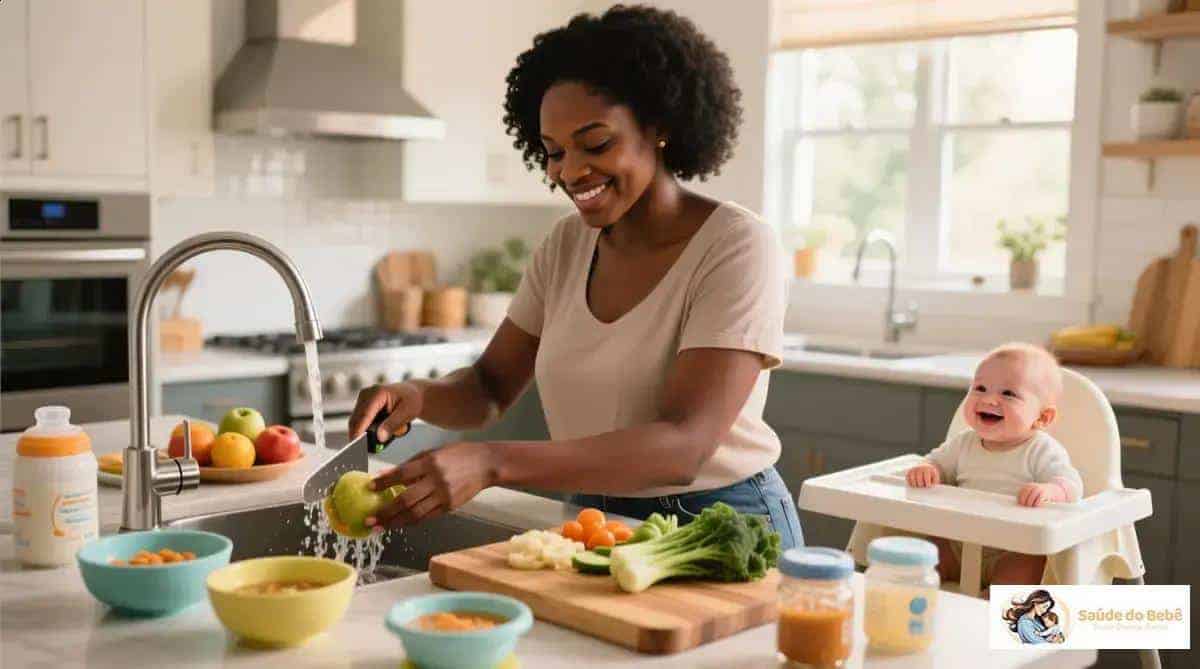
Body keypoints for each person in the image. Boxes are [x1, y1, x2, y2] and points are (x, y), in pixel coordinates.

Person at [347, 5, 802, 549]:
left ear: (658, 126)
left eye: (596, 143)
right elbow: (488, 386)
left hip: (720, 525)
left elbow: (685, 445)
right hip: (593, 520)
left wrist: (492, 461)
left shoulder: (735, 245)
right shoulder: (566, 244)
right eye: (554, 152)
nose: (569, 171)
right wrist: (416, 396)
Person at [906, 343, 1083, 586]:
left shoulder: (1041, 450)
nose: (989, 399)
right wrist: (928, 470)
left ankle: (996, 613)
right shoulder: (963, 443)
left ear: (1042, 417)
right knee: (922, 559)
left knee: (1025, 568)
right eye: (980, 388)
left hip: (1013, 550)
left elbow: (1071, 485)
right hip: (957, 543)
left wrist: (1049, 491)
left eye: (1008, 394)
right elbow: (937, 462)